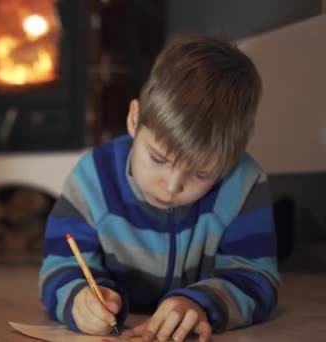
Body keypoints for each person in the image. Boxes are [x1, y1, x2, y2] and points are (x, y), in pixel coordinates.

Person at [39, 35, 280, 342]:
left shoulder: (244, 183)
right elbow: (60, 265)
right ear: (134, 119)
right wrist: (79, 299)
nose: (171, 187)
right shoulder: (93, 179)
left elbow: (257, 278)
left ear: (231, 159)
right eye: (157, 158)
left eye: (201, 174)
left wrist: (199, 304)